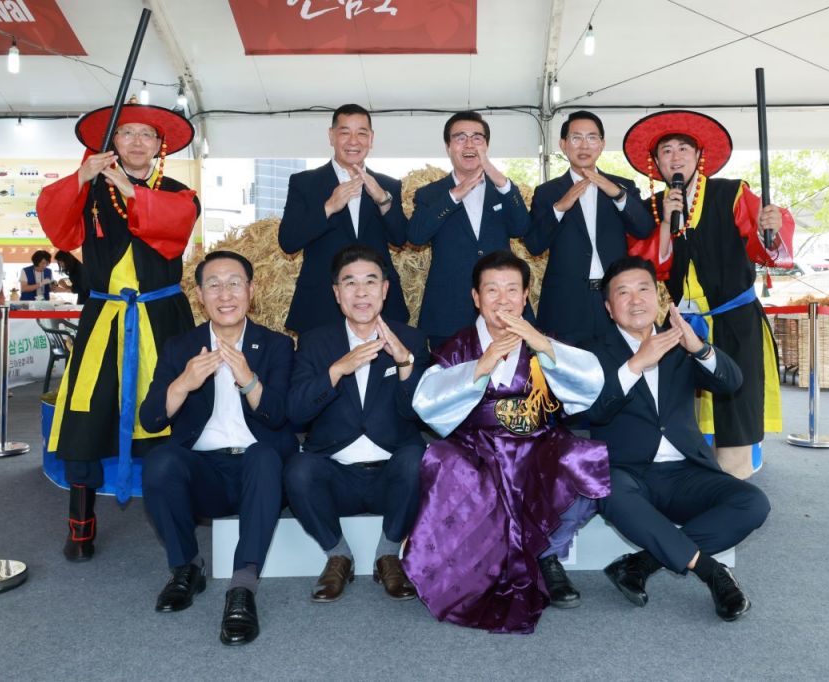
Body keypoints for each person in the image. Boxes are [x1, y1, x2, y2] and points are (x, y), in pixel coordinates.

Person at [403, 251, 610, 634]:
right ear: (476, 297)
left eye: (512, 289)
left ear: (526, 295)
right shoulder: (459, 346)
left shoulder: (541, 341)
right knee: (442, 460)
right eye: (492, 290)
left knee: (586, 461)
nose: (503, 299)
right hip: (477, 448)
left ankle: (547, 554)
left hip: (537, 444)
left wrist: (543, 346)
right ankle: (475, 567)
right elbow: (427, 402)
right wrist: (481, 366)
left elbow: (589, 383)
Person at [36, 100, 200, 561]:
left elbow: (173, 226)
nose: (137, 142)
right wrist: (80, 178)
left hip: (162, 318)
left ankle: (182, 519)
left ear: (160, 145)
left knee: (174, 410)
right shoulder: (89, 189)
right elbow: (56, 223)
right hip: (104, 318)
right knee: (87, 413)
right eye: (126, 133)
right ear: (112, 142)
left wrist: (130, 190)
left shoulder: (180, 193)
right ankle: (80, 527)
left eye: (147, 134)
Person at [576, 256, 769, 621]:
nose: (636, 299)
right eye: (623, 292)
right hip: (629, 474)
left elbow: (732, 382)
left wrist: (699, 348)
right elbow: (592, 413)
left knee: (753, 503)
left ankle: (641, 564)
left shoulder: (680, 343)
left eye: (643, 289)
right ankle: (712, 573)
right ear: (609, 308)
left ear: (659, 297)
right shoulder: (591, 352)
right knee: (608, 490)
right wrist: (635, 365)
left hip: (687, 473)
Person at [622, 110, 795, 478]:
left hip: (734, 321)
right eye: (666, 151)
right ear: (656, 163)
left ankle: (736, 477)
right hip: (681, 326)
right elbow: (647, 267)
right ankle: (694, 484)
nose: (675, 158)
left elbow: (765, 246)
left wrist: (770, 228)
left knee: (734, 410)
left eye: (683, 149)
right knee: (682, 413)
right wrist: (666, 225)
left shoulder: (731, 193)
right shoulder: (653, 209)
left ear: (699, 156)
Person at [139, 250, 296, 646]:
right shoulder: (181, 347)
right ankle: (186, 568)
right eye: (214, 285)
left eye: (234, 284)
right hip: (204, 472)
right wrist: (183, 384)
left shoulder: (276, 345)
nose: (225, 294)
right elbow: (151, 419)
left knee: (264, 455)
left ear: (251, 291)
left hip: (259, 474)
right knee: (160, 462)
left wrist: (248, 379)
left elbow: (280, 417)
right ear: (199, 295)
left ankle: (242, 586)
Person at [284, 245, 429, 603]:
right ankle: (338, 556)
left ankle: (388, 554)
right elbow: (297, 412)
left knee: (418, 458)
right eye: (350, 283)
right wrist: (336, 371)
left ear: (385, 289)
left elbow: (420, 414)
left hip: (392, 476)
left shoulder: (410, 339)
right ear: (337, 293)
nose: (361, 292)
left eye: (370, 282)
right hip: (336, 475)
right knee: (298, 469)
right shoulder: (315, 341)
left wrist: (405, 364)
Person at [279, 104, 409, 335]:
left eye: (361, 133)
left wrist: (383, 200)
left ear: (371, 139)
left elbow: (400, 239)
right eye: (345, 132)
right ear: (331, 136)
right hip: (321, 302)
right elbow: (288, 241)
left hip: (378, 305)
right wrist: (329, 207)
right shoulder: (304, 183)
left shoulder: (387, 185)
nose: (353, 141)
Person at [526, 111, 652, 345]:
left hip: (615, 299)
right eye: (576, 138)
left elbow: (644, 229)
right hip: (566, 304)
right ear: (563, 145)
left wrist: (617, 194)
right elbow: (534, 245)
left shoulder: (622, 186)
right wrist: (560, 208)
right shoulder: (548, 192)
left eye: (592, 138)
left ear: (602, 145)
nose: (584, 145)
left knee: (618, 364)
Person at [408, 111, 531, 348]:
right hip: (448, 312)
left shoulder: (503, 189)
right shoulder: (431, 194)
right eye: (460, 137)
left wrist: (501, 182)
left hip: (502, 311)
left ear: (486, 145)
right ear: (448, 146)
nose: (469, 144)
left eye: (477, 137)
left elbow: (521, 228)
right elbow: (416, 236)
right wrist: (454, 196)